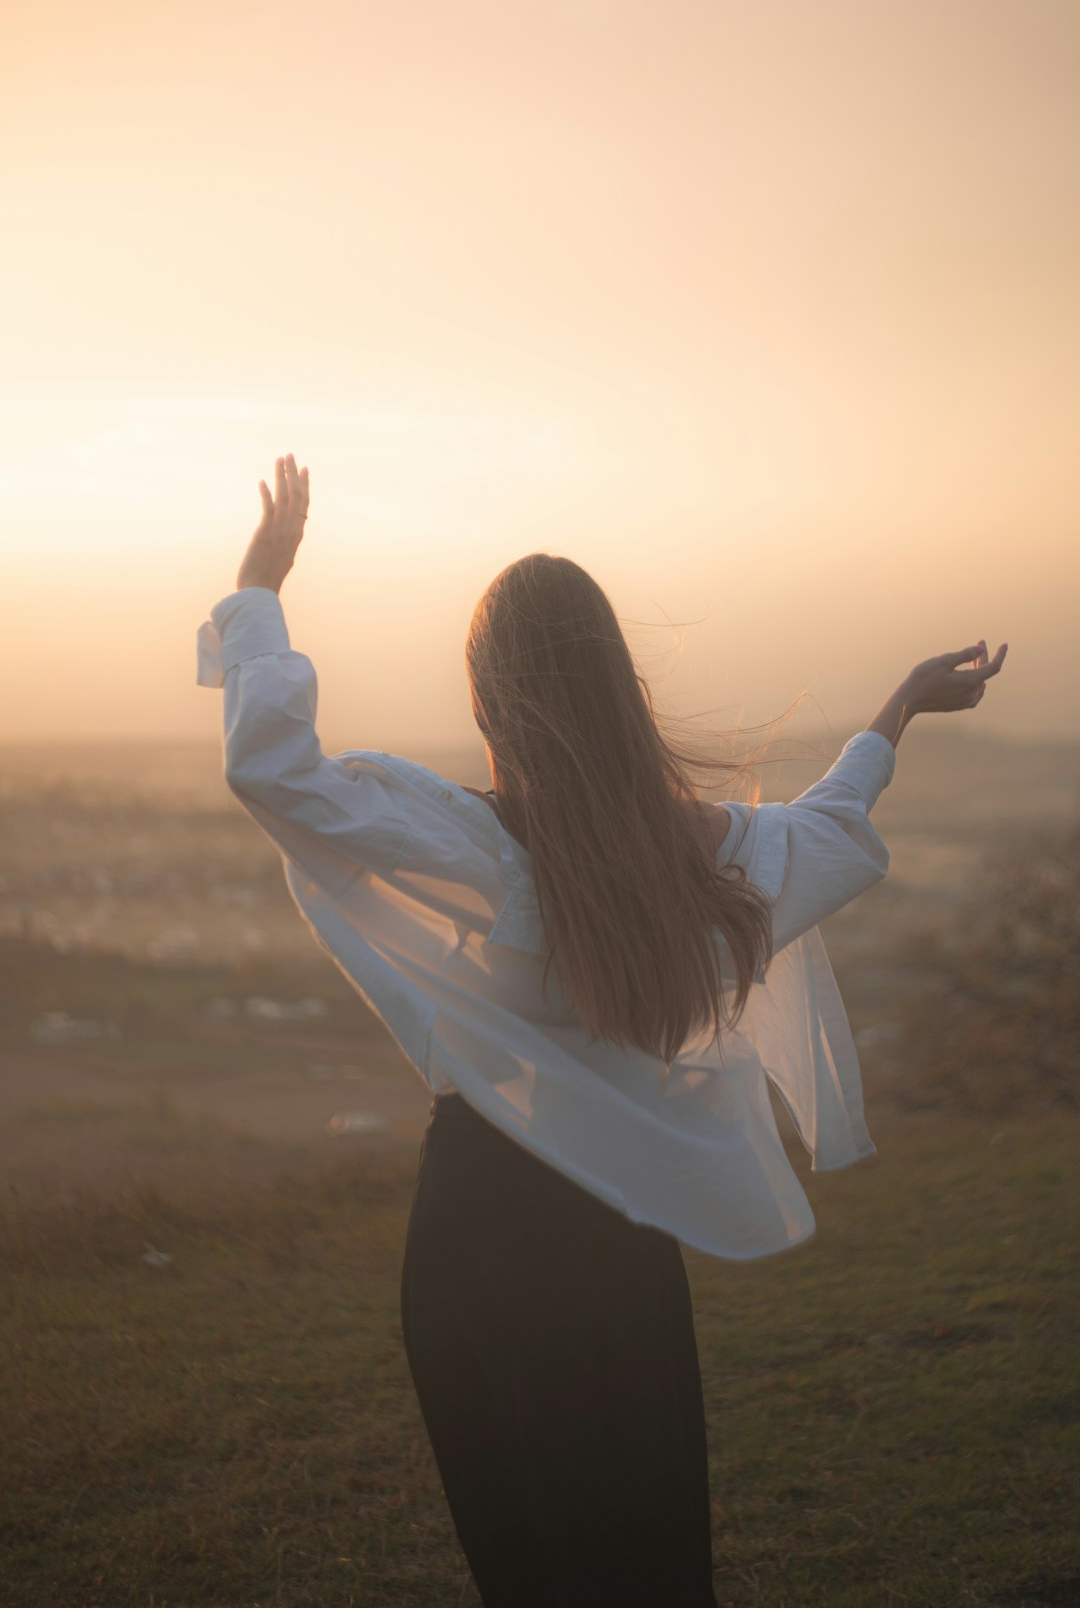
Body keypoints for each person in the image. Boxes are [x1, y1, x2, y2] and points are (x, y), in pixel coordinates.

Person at [196, 452, 1008, 1607]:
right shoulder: (684, 856)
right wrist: (899, 709)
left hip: (476, 1227)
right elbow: (820, 830)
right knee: (642, 1542)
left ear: (486, 697)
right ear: (618, 685)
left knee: (527, 1552)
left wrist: (260, 589)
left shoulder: (469, 843)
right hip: (615, 1232)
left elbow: (276, 771)